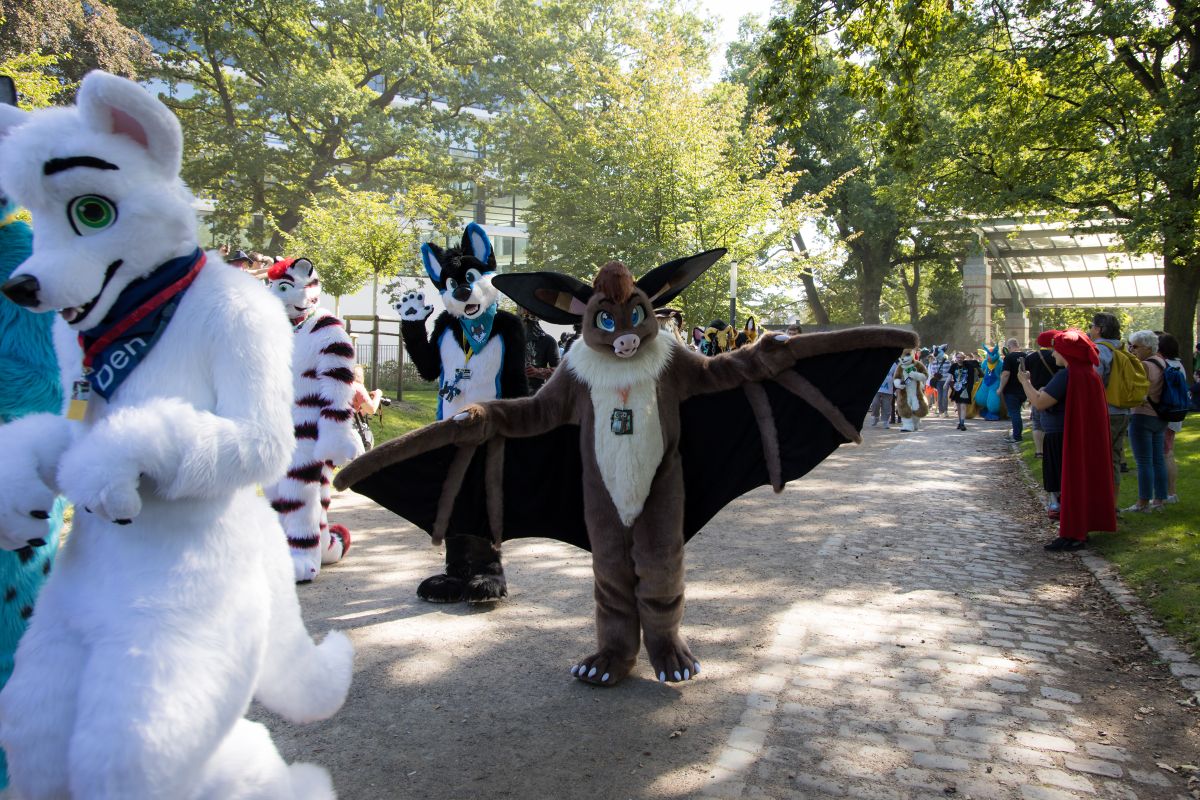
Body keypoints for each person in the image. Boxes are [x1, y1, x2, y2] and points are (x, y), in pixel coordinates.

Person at [1018, 329, 1116, 551]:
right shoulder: (1087, 373)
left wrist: (1025, 382)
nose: (1053, 355)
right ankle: (1076, 529)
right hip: (1072, 435)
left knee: (1067, 485)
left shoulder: (1069, 375)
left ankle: (1073, 532)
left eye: (1056, 351)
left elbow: (1040, 402)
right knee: (1074, 484)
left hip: (1063, 437)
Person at [1125, 329, 1168, 512]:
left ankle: (1143, 502)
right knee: (1158, 459)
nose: (1132, 350)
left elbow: (1134, 389)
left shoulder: (1143, 366)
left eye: (1135, 347)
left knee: (1143, 461)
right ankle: (1159, 500)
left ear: (1148, 347)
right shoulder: (1162, 363)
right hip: (1160, 415)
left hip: (1142, 414)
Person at [1089, 312, 1132, 489]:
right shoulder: (1121, 349)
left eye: (1091, 326)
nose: (1090, 329)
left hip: (1105, 410)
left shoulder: (1099, 350)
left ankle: (1101, 503)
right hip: (1122, 409)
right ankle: (1112, 504)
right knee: (1114, 458)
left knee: (1098, 458)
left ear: (1099, 329)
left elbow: (1093, 381)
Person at [1156, 332, 1184, 504]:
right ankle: (1170, 492)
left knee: (1165, 453)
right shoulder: (1178, 364)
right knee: (1168, 452)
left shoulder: (1165, 365)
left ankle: (1169, 493)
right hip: (1174, 413)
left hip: (1165, 414)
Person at [1023, 341, 1060, 458]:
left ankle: (1039, 451)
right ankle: (1050, 450)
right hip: (1055, 391)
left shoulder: (1031, 357)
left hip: (1036, 392)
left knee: (1037, 423)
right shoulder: (1055, 356)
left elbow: (1024, 372)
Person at [521, 309, 560, 392]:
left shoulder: (548, 340)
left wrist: (538, 372)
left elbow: (559, 371)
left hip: (536, 394)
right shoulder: (513, 338)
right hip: (513, 393)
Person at [998, 337, 1027, 442]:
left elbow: (1006, 374)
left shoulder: (1008, 357)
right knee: (1017, 412)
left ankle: (1017, 436)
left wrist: (1000, 388)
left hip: (1011, 390)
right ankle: (1017, 434)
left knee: (1014, 413)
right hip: (1023, 389)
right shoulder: (1025, 356)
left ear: (1009, 347)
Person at [947, 350, 978, 431]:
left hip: (965, 388)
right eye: (958, 357)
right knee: (958, 407)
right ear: (956, 358)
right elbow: (949, 376)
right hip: (956, 389)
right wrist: (945, 384)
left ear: (964, 358)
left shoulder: (968, 366)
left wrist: (970, 388)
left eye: (961, 357)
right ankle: (960, 422)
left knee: (963, 406)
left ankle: (962, 423)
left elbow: (972, 378)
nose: (959, 359)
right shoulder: (953, 366)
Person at [869, 361, 896, 428]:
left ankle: (885, 421)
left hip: (888, 389)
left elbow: (896, 376)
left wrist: (897, 388)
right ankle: (876, 417)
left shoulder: (894, 365)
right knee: (875, 403)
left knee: (886, 406)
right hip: (877, 389)